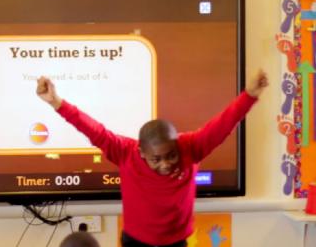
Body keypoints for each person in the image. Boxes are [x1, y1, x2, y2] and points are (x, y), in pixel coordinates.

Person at [36, 70, 268, 247]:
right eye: (156, 159)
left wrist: (249, 96)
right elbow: (93, 129)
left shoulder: (192, 147)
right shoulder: (126, 152)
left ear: (178, 144)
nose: (166, 164)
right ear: (142, 153)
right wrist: (56, 102)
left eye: (171, 156)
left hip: (177, 243)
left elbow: (223, 125)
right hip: (136, 242)